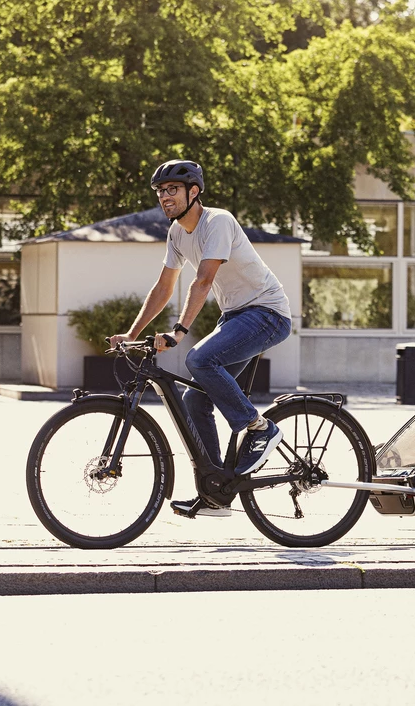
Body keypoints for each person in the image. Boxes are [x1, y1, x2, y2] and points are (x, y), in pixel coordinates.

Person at [107, 159, 293, 519]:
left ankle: (259, 428)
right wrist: (132, 334)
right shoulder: (177, 233)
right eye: (161, 191)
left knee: (198, 359)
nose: (165, 197)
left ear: (194, 192)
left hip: (267, 313)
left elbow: (203, 281)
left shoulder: (218, 222)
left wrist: (178, 331)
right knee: (195, 399)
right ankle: (218, 490)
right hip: (236, 316)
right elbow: (164, 287)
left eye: (172, 189)